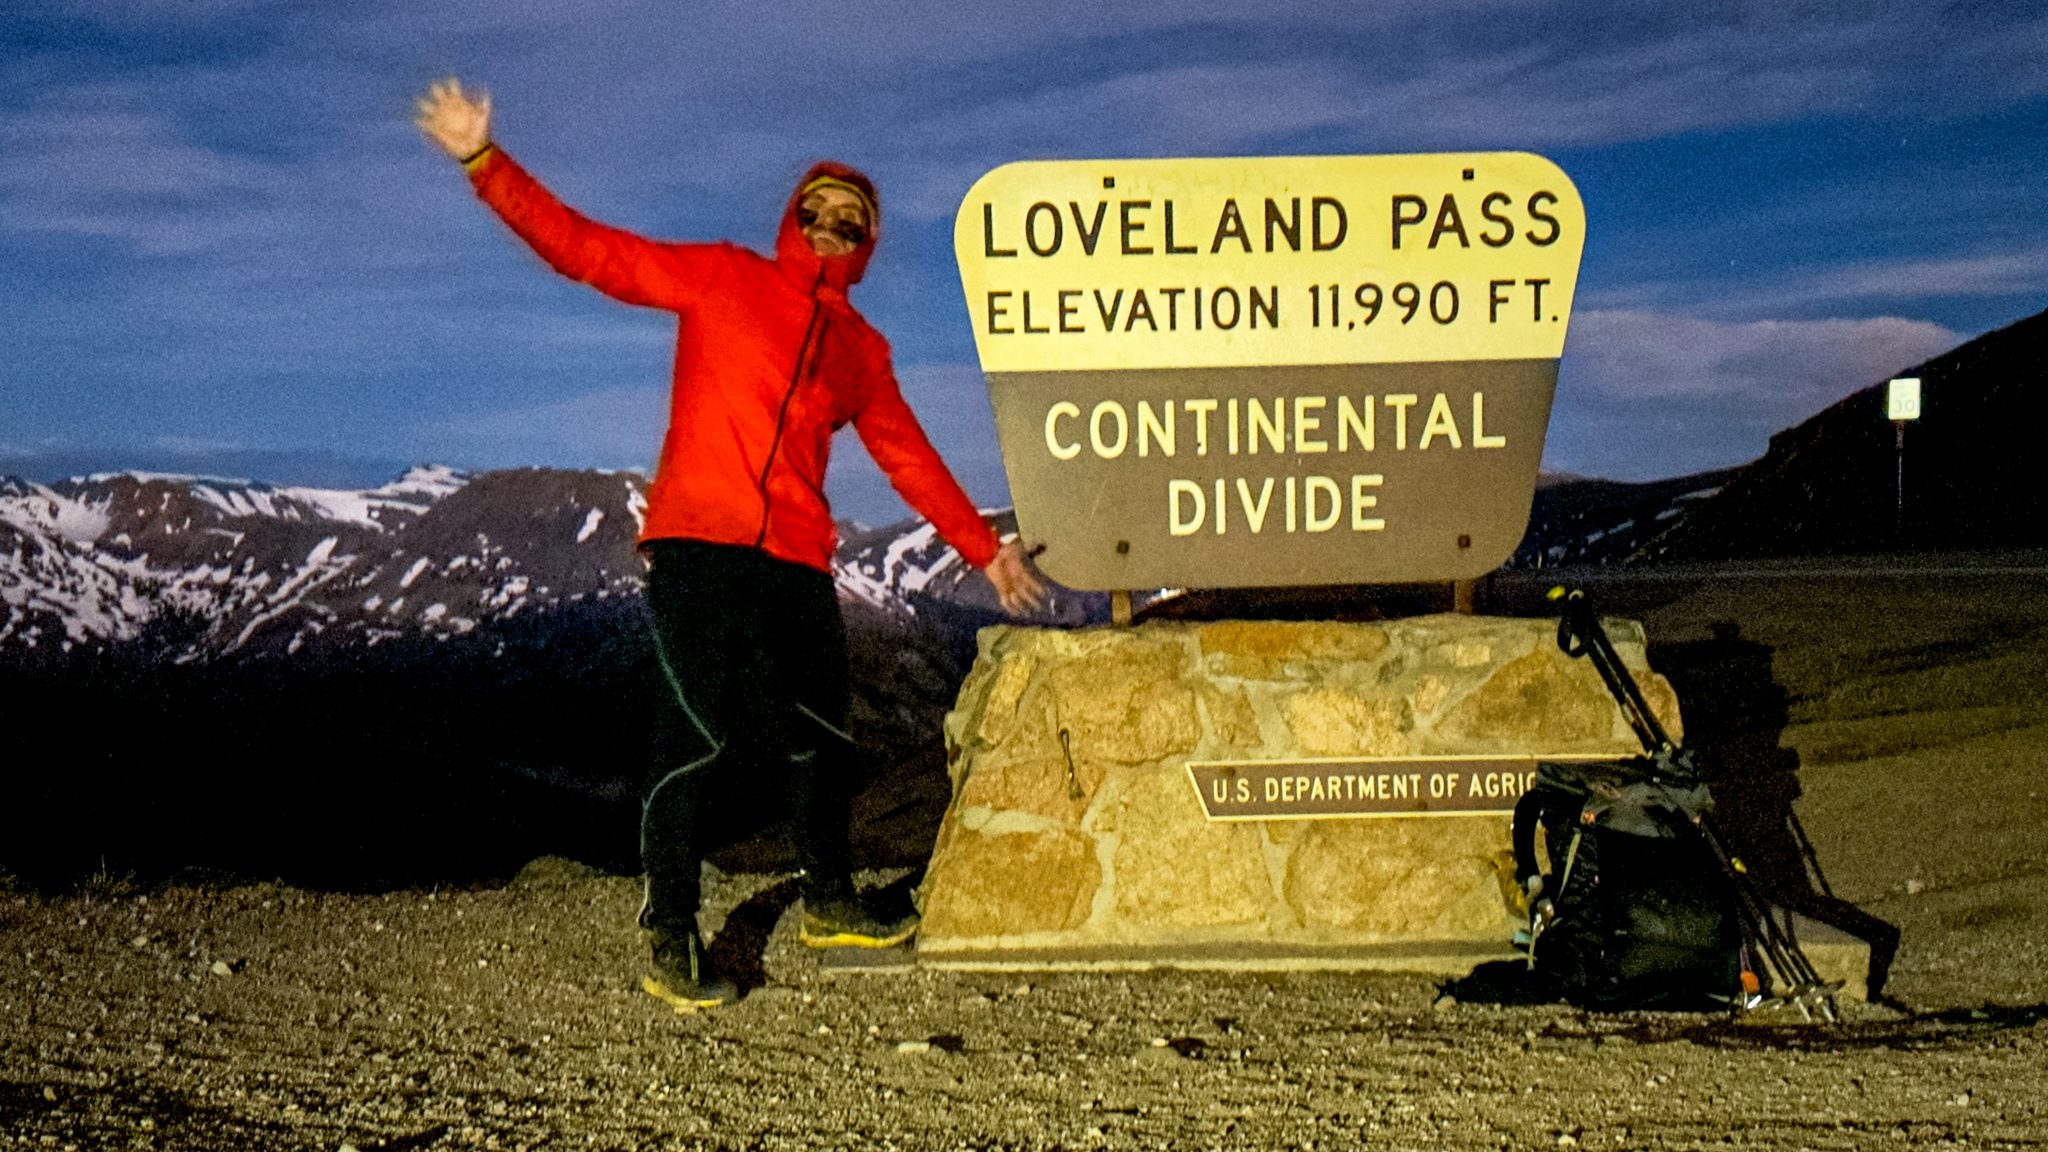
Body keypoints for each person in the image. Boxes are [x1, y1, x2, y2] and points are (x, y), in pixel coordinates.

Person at [414, 79, 1047, 1010]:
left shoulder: (861, 352)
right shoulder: (722, 278)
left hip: (795, 558)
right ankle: (672, 931)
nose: (830, 227)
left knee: (824, 739)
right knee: (695, 737)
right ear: (794, 219)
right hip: (700, 546)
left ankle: (830, 902)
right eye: (817, 212)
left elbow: (906, 455)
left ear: (865, 244)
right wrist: (484, 161)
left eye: (850, 221)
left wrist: (982, 548)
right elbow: (588, 252)